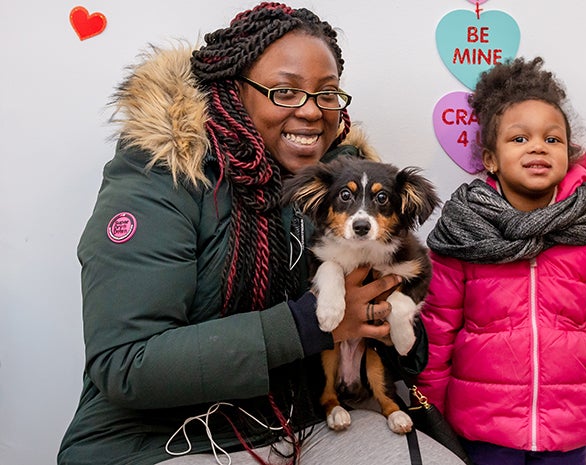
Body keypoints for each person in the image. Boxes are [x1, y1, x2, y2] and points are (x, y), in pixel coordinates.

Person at [57, 3, 464, 464]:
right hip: (167, 438)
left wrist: (386, 324)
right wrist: (306, 325)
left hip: (307, 419)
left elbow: (394, 333)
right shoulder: (161, 177)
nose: (311, 112)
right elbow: (126, 364)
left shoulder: (338, 188)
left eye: (327, 93)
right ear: (233, 92)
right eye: (285, 91)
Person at [416, 56, 586, 465]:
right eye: (519, 139)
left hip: (568, 428)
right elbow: (437, 333)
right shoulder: (465, 234)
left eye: (552, 138)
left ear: (569, 153)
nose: (538, 146)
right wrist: (428, 412)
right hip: (483, 428)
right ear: (490, 158)